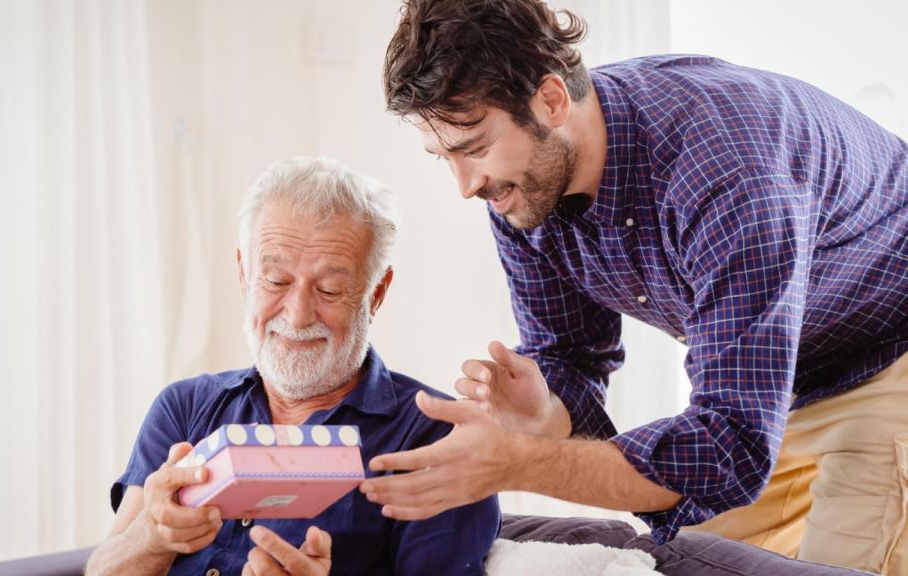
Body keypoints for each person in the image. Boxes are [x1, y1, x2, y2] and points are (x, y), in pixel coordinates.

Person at [359, 1, 908, 573]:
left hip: (891, 347)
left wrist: (516, 463)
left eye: (473, 149)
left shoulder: (722, 172)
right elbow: (569, 358)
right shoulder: (522, 194)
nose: (466, 185)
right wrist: (545, 411)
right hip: (781, 381)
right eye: (444, 156)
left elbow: (732, 445)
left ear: (550, 100)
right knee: (699, 559)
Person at [84, 157, 500, 576]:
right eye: (277, 281)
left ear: (376, 293)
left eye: (329, 289)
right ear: (244, 275)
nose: (298, 315)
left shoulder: (439, 441)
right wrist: (151, 536)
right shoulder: (185, 406)